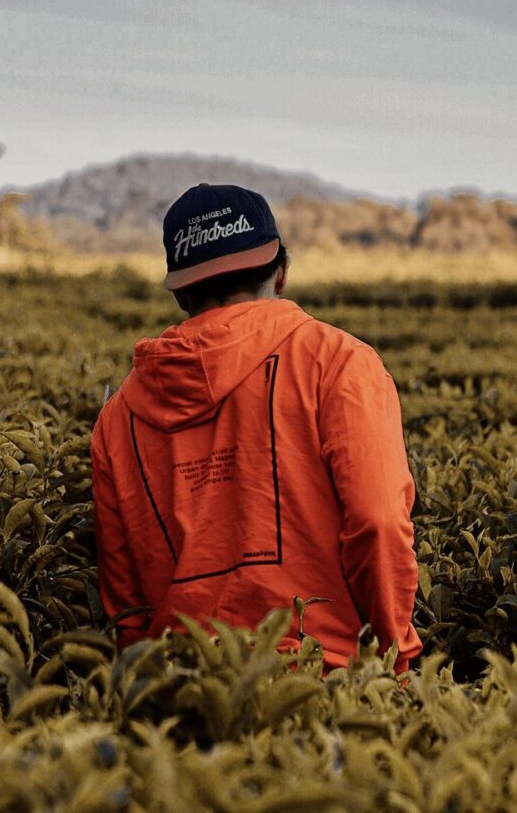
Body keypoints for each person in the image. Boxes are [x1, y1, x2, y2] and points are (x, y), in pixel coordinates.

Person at [89, 183, 422, 672]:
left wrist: (148, 692)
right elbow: (378, 523)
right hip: (326, 683)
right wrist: (397, 658)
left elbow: (125, 597)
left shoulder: (117, 418)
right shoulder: (338, 364)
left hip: (182, 685)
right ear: (281, 273)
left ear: (181, 291)